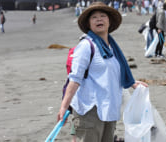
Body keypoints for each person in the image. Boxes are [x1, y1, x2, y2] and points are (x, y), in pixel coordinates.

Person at [57, 2, 148, 142]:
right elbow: (74, 79)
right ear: (89, 24)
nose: (99, 19)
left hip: (109, 110)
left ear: (109, 21)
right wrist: (64, 107)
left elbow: (112, 74)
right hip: (90, 111)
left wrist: (132, 83)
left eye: (103, 16)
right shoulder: (86, 46)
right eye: (94, 17)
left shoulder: (112, 48)